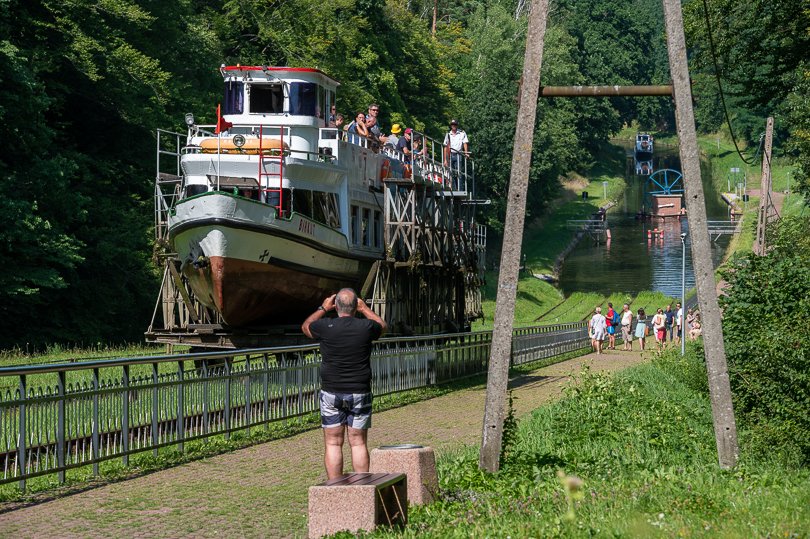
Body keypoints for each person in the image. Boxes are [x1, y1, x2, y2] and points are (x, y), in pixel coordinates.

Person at [301, 289, 388, 479]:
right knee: (358, 443)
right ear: (356, 306)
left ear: (336, 306)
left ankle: (335, 488)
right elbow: (382, 325)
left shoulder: (324, 326)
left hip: (331, 392)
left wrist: (322, 308)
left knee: (333, 442)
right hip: (359, 391)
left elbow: (306, 326)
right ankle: (363, 488)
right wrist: (365, 308)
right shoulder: (366, 327)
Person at [443, 119, 469, 189]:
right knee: (451, 173)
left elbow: (465, 143)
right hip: (451, 154)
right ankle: (454, 189)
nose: (453, 126)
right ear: (451, 126)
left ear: (457, 125)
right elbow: (445, 147)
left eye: (455, 124)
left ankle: (460, 189)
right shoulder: (448, 134)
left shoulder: (462, 133)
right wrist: (445, 159)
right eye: (452, 124)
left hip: (458, 154)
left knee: (458, 172)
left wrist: (466, 153)